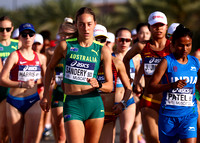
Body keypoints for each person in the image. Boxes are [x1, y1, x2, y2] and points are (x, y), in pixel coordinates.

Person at [40, 7, 113, 143]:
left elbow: (109, 86)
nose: (85, 28)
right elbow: (50, 68)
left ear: (95, 24)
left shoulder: (102, 50)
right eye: (81, 24)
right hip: (73, 104)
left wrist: (99, 84)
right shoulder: (65, 46)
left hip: (94, 104)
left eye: (89, 24)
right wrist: (45, 96)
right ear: (76, 25)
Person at [123, 11, 171, 143]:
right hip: (149, 101)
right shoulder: (142, 46)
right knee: (153, 140)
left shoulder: (172, 46)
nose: (158, 28)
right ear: (150, 27)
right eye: (155, 25)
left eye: (161, 25)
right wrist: (129, 80)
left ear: (166, 26)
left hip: (170, 103)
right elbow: (126, 59)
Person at [147, 24, 199, 143]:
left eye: (188, 45)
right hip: (168, 116)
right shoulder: (167, 62)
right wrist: (171, 85)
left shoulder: (195, 62)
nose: (185, 49)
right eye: (181, 45)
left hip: (189, 115)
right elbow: (151, 87)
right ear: (173, 45)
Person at [0, 23, 46, 142]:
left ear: (34, 36)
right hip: (14, 102)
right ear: (19, 37)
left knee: (31, 140)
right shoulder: (14, 56)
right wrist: (22, 84)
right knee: (16, 140)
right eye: (24, 35)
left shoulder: (41, 58)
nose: (28, 38)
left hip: (33, 100)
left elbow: (47, 79)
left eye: (30, 34)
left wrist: (46, 94)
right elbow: (2, 79)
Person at [46, 18, 77, 143]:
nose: (65, 37)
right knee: (60, 134)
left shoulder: (77, 50)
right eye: (62, 34)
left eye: (68, 34)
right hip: (58, 91)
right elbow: (48, 70)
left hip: (74, 93)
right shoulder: (51, 52)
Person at [112, 27, 137, 143]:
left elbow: (140, 77)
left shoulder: (136, 58)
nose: (124, 43)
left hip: (129, 101)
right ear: (116, 40)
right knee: (109, 138)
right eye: (121, 39)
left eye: (127, 40)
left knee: (124, 136)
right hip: (111, 101)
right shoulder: (109, 57)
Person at [130, 22, 151, 143]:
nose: (144, 35)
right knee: (135, 123)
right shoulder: (134, 51)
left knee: (148, 123)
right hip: (136, 91)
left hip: (150, 91)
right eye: (141, 33)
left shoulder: (155, 50)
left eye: (147, 33)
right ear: (137, 35)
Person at [0, 16, 19, 143]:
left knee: (9, 127)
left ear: (12, 29)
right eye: (1, 29)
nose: (4, 32)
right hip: (1, 87)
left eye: (7, 29)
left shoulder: (18, 44)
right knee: (2, 128)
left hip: (13, 89)